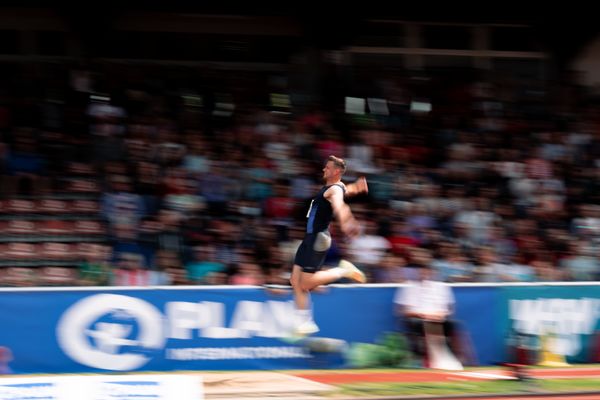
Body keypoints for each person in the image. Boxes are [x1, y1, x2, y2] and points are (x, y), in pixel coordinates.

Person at [290, 155, 368, 336]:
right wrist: (356, 187)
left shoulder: (334, 190)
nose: (323, 170)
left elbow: (341, 206)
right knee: (295, 280)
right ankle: (304, 322)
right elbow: (344, 191)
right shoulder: (334, 188)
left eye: (327, 167)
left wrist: (346, 221)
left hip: (318, 238)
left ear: (336, 171)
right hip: (309, 238)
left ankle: (343, 271)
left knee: (306, 283)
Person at [394, 259, 458, 366]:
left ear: (432, 273)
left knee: (453, 324)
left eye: (427, 271)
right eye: (421, 272)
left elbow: (449, 309)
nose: (424, 274)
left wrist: (440, 315)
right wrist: (423, 315)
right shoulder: (408, 286)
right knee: (425, 324)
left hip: (438, 318)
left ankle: (450, 357)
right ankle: (430, 360)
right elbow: (402, 311)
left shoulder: (442, 286)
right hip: (417, 319)